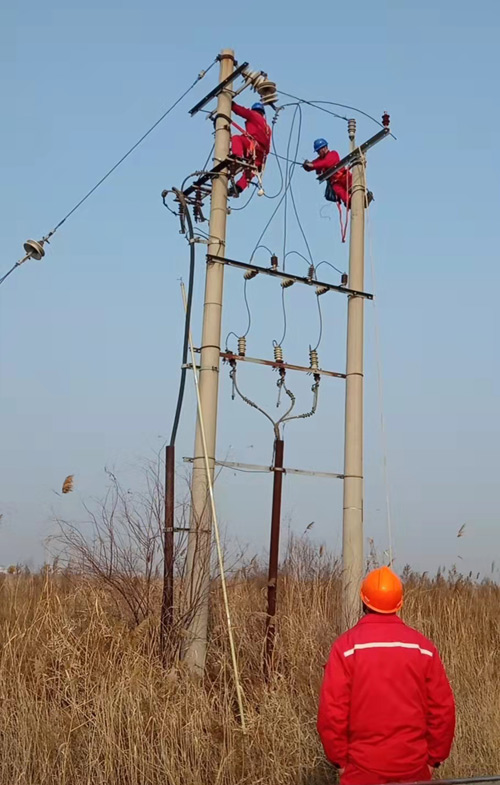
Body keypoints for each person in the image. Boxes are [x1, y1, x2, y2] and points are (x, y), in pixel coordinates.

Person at [317, 566, 455, 785]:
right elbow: (442, 709)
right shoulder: (423, 648)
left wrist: (340, 761)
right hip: (414, 769)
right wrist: (434, 759)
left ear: (364, 601)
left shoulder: (346, 647)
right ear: (399, 603)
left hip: (361, 770)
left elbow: (332, 712)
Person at [229, 101, 272, 196]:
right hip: (262, 154)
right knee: (250, 171)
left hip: (252, 145)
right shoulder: (268, 128)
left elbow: (242, 111)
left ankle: (237, 157)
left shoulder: (253, 115)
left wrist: (231, 104)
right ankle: (239, 187)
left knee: (236, 139)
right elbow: (268, 148)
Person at [303, 138, 353, 206]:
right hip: (336, 183)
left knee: (355, 187)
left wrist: (312, 165)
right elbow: (315, 164)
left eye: (318, 151)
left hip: (344, 178)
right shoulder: (320, 159)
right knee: (338, 190)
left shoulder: (333, 154)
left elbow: (325, 163)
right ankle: (349, 201)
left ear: (324, 148)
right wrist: (307, 166)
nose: (318, 153)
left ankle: (362, 196)